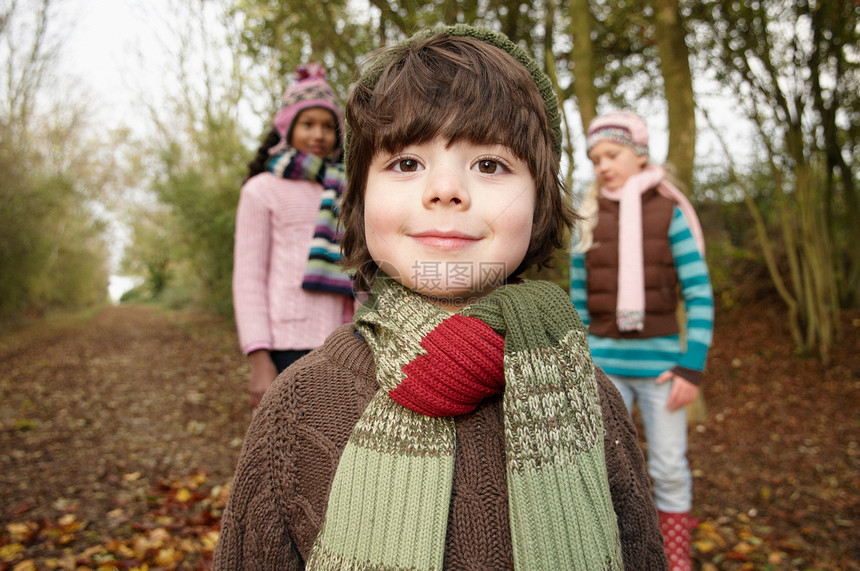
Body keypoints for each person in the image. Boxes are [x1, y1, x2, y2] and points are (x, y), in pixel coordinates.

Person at [214, 26, 667, 570]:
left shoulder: (590, 398)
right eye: (407, 163)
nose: (446, 189)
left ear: (541, 204)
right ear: (357, 201)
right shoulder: (298, 406)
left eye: (490, 164)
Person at [570, 110, 715, 570]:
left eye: (612, 154)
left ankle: (675, 559)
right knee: (604, 470)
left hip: (662, 372)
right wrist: (581, 361)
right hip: (604, 370)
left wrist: (690, 366)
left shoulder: (669, 212)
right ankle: (614, 555)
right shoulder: (586, 218)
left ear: (638, 154)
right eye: (595, 159)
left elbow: (699, 294)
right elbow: (576, 303)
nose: (602, 165)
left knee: (669, 468)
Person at [232, 63, 355, 411]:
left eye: (328, 126)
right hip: (286, 346)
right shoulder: (261, 191)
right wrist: (259, 359)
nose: (319, 135)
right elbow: (249, 279)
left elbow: (363, 269)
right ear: (288, 127)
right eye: (308, 124)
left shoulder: (348, 190)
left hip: (347, 343)